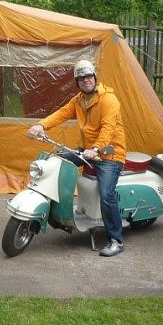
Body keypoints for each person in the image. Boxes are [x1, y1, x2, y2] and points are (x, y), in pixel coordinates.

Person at [26, 59, 127, 257]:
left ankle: (116, 240)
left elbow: (108, 127)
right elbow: (62, 113)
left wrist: (96, 148)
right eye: (81, 78)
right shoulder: (79, 100)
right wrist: (41, 125)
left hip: (109, 154)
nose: (86, 80)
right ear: (77, 82)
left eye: (89, 76)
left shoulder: (109, 99)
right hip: (88, 150)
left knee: (107, 195)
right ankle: (56, 213)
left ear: (95, 77)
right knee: (56, 162)